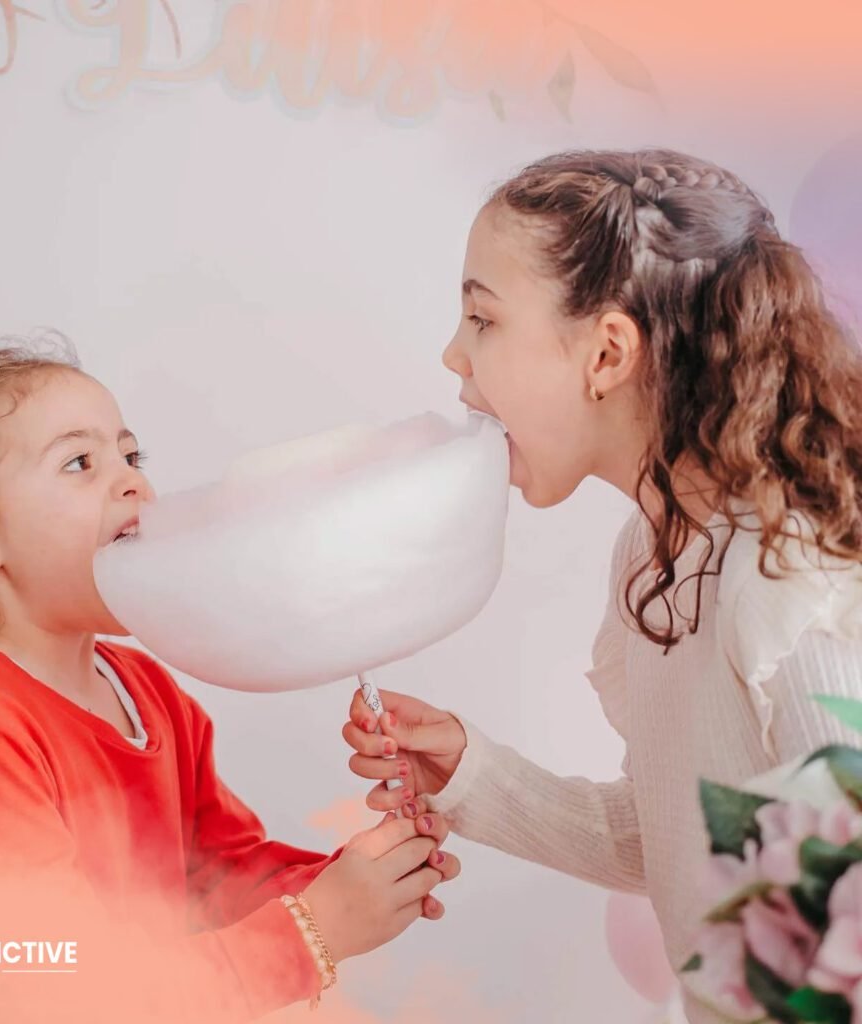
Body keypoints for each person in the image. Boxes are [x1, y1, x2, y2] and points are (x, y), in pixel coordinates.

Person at [343, 148, 862, 1024]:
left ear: (607, 353)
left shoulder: (785, 575)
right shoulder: (652, 554)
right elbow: (681, 836)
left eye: (483, 319)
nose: (453, 355)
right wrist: (474, 775)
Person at [0, 337, 460, 1022]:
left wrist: (354, 881)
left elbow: (216, 874)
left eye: (130, 454)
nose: (132, 483)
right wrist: (311, 930)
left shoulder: (142, 687)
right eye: (80, 462)